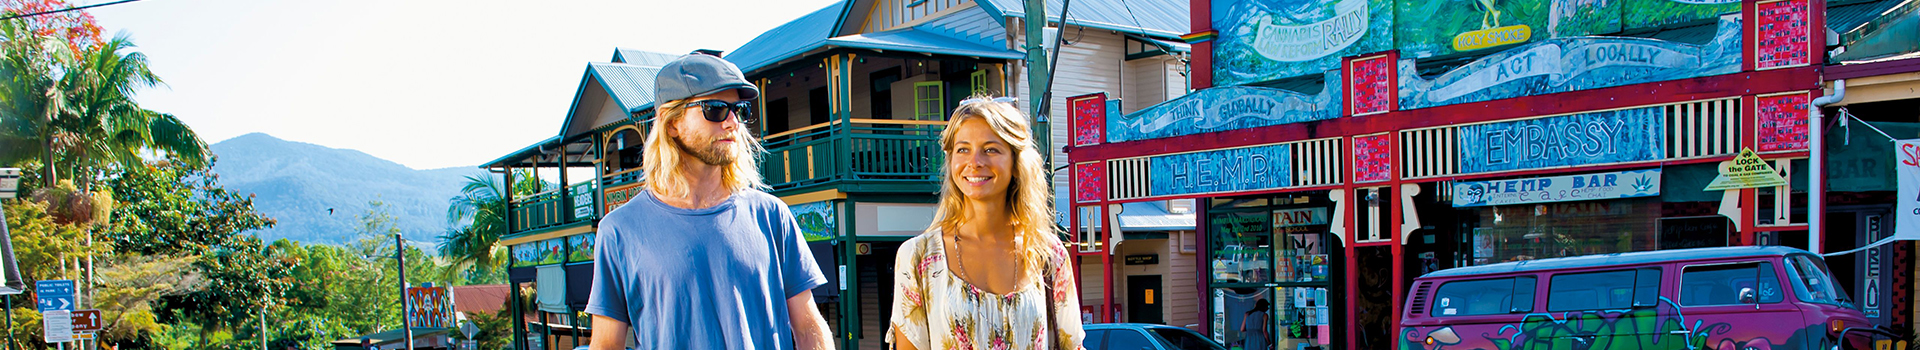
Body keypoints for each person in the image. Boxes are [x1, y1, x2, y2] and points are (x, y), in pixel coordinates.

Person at [585, 52, 832, 350]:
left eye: (738, 110)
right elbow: (606, 345)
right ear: (671, 123)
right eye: (714, 109)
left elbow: (808, 327)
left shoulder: (770, 215)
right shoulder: (619, 230)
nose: (732, 123)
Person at [886, 96, 1084, 350]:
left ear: (1015, 163)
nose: (975, 161)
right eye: (963, 149)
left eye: (991, 149)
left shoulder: (1048, 254)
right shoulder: (918, 257)